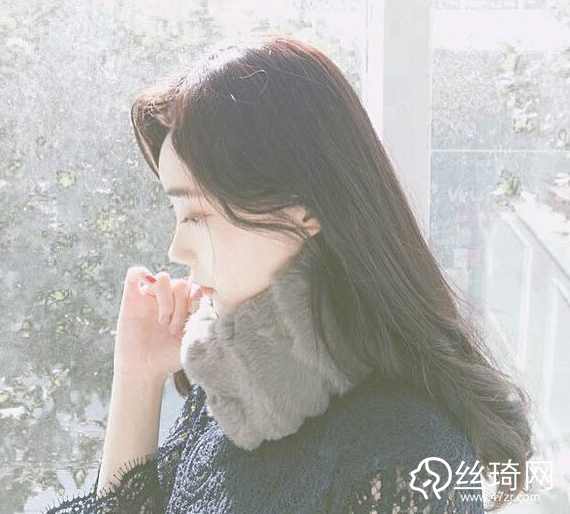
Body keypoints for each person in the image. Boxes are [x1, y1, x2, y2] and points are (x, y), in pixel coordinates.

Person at [42, 35, 534, 513]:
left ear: (306, 208)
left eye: (194, 215)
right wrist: (137, 379)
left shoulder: (402, 456)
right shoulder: (238, 398)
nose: (177, 249)